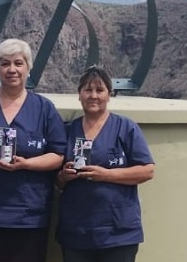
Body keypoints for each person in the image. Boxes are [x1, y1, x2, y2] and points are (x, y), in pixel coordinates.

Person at [0, 38, 67, 262]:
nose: (12, 69)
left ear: (28, 68)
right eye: (4, 63)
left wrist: (27, 164)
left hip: (30, 215)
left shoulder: (44, 108)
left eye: (18, 63)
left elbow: (58, 155)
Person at [56, 66, 155, 262]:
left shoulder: (125, 128)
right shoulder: (67, 130)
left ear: (109, 95)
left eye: (99, 90)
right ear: (79, 94)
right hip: (76, 233)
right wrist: (63, 177)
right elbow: (57, 182)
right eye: (88, 90)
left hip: (118, 233)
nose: (93, 96)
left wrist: (107, 175)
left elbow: (148, 170)